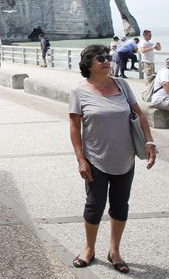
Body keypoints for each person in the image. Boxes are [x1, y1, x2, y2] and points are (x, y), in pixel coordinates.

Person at [68, 45, 156, 273]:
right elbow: (74, 128)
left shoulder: (122, 85)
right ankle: (89, 248)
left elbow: (139, 114)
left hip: (124, 158)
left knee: (120, 206)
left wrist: (149, 142)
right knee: (94, 206)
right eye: (101, 58)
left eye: (108, 57)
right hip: (95, 159)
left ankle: (114, 251)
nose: (107, 60)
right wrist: (80, 159)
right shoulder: (78, 92)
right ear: (88, 64)